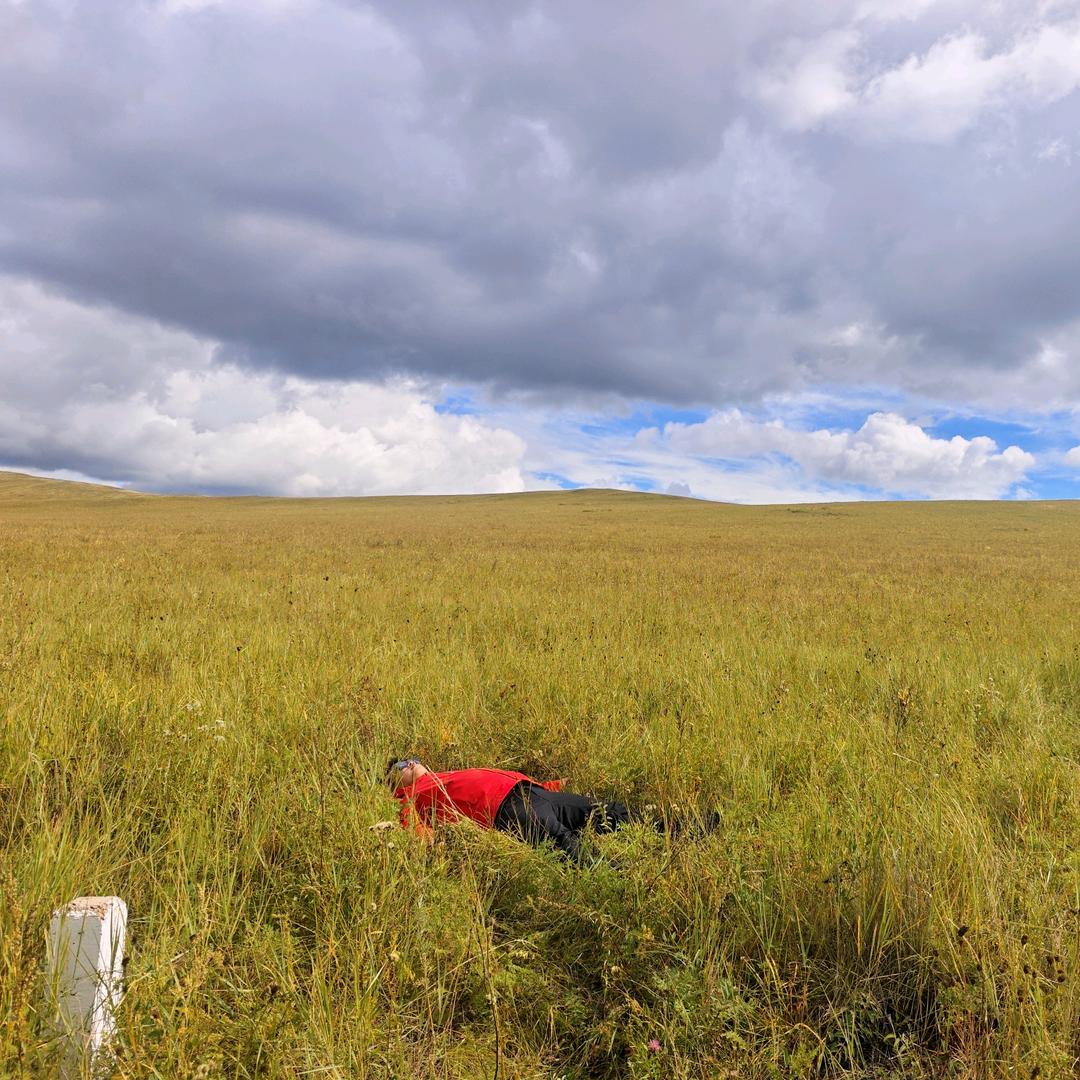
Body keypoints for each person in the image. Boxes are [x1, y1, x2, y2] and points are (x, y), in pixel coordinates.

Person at [385, 757, 688, 863]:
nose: (410, 763)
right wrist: (434, 844)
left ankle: (684, 829)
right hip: (506, 811)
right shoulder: (407, 798)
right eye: (402, 765)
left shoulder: (442, 776)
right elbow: (415, 832)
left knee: (610, 812)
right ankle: (628, 889)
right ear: (394, 782)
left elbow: (489, 778)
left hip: (530, 792)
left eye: (410, 758)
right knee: (568, 846)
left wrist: (551, 786)